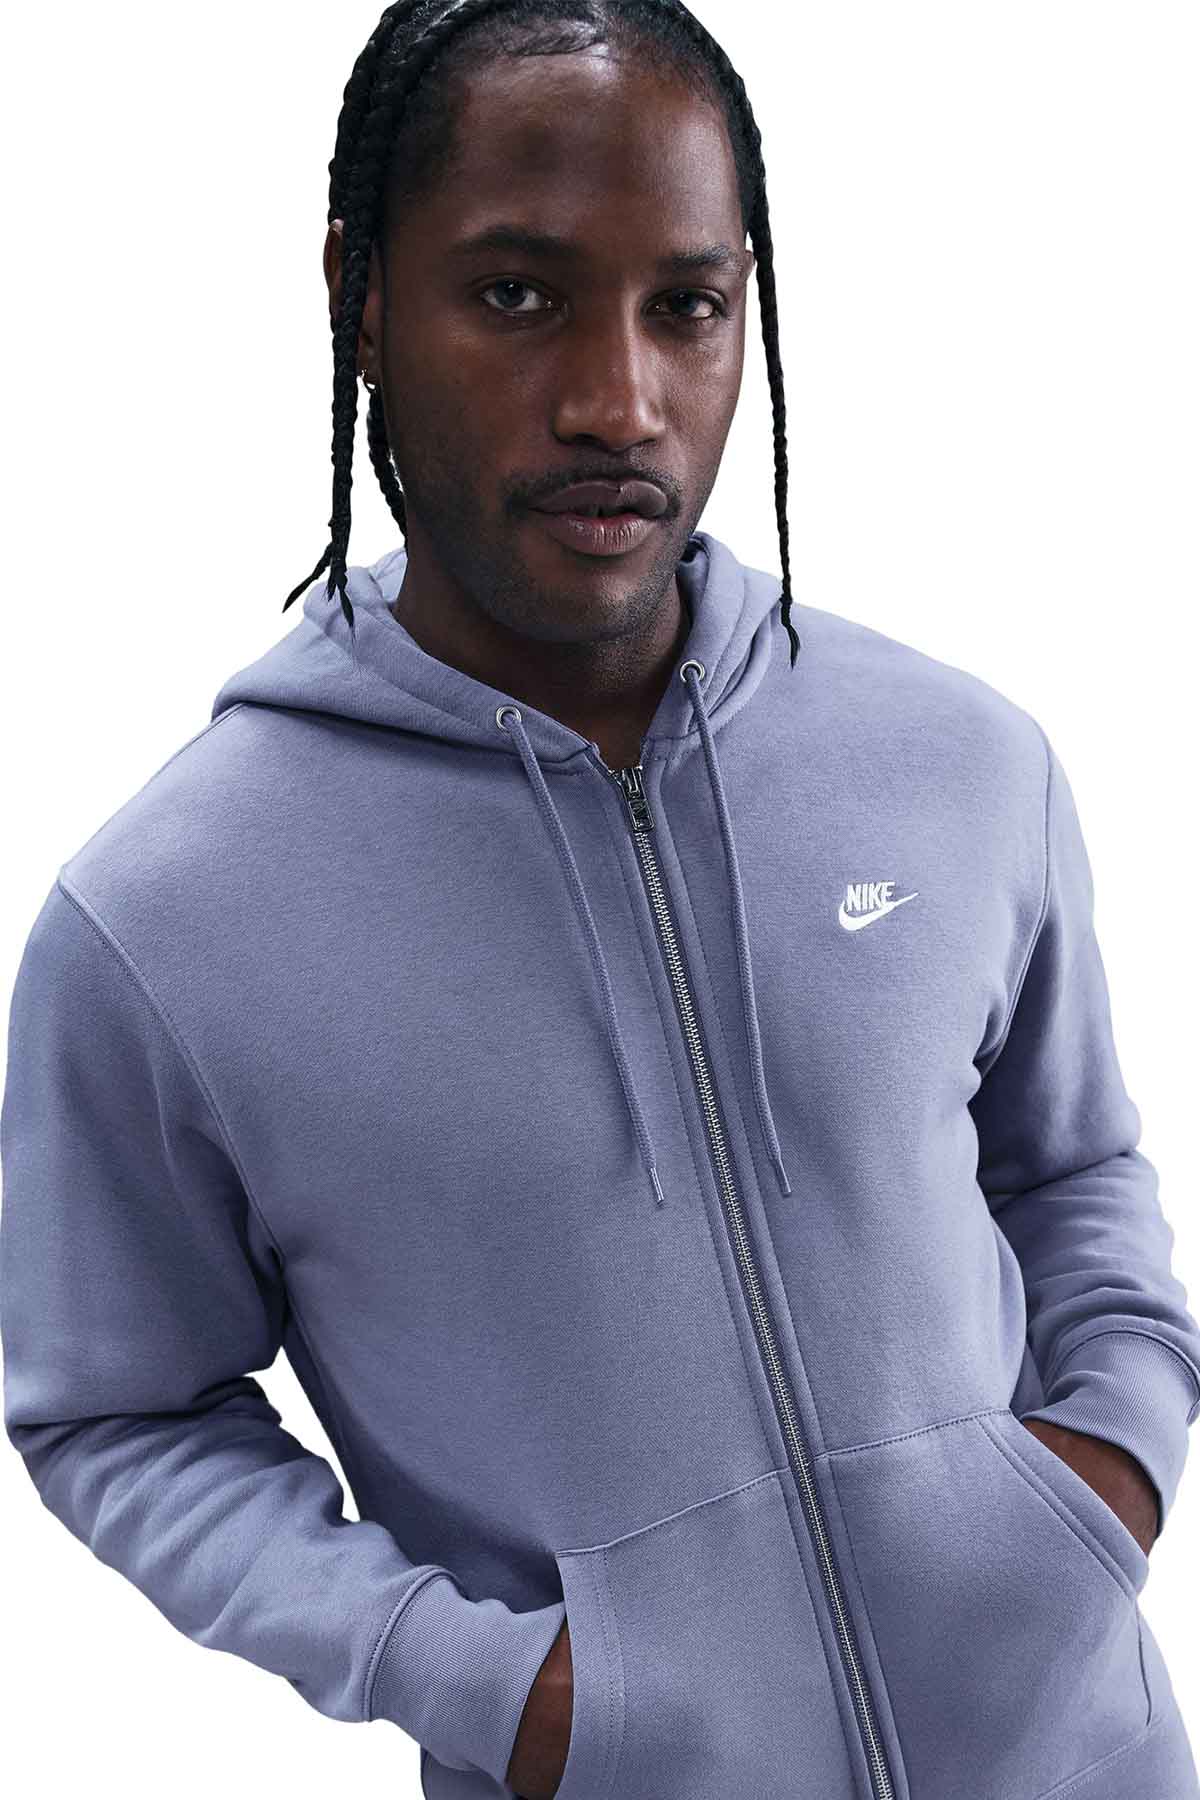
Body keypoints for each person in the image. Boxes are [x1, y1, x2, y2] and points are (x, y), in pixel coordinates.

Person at [2, 2, 1199, 1797]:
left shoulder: (961, 761)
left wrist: (1109, 1463)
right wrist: (492, 1685)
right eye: (518, 295)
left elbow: (1071, 1168)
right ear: (358, 296)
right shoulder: (161, 926)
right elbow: (117, 1409)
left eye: (687, 306)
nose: (618, 401)